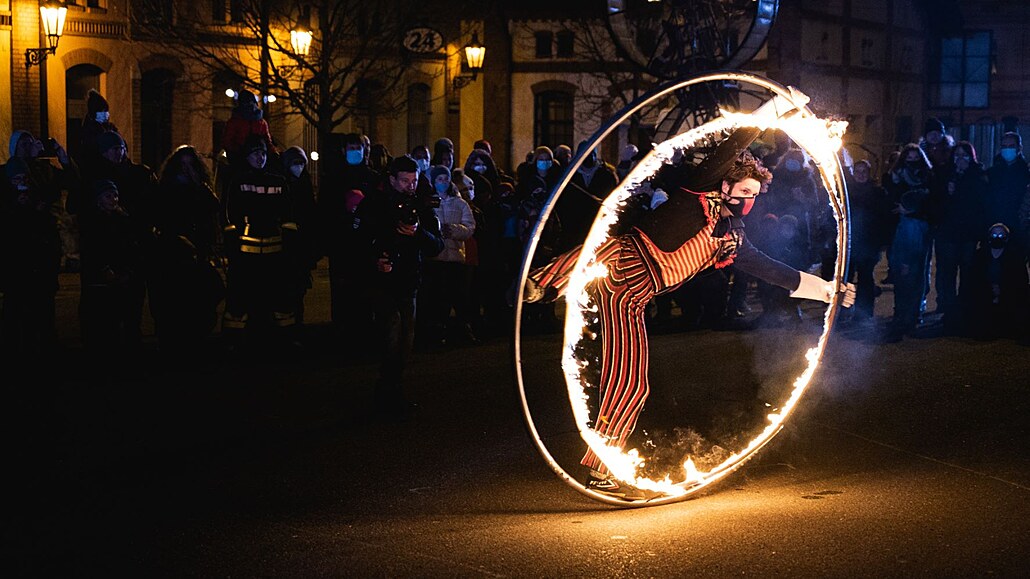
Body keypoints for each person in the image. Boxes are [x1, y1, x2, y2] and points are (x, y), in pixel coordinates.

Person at [522, 139, 854, 499]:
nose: (748, 200)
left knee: (632, 384)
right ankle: (541, 283)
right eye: (744, 190)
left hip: (632, 299)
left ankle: (601, 466)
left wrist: (827, 289)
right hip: (615, 265)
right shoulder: (694, 197)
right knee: (609, 252)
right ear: (724, 185)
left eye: (755, 194)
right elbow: (729, 149)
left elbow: (776, 272)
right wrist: (771, 113)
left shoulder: (731, 240)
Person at [357, 155, 443, 418]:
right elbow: (357, 241)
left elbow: (436, 245)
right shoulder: (374, 203)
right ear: (392, 179)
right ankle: (384, 393)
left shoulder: (419, 206)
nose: (409, 185)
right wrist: (375, 261)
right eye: (404, 180)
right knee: (392, 330)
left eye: (413, 180)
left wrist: (418, 234)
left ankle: (395, 393)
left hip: (408, 281)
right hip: (382, 282)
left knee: (406, 340)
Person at [220, 136, 299, 353]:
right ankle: (233, 340)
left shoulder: (278, 181)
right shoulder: (238, 180)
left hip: (275, 253)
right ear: (247, 156)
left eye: (263, 153)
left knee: (280, 298)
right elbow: (229, 216)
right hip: (246, 254)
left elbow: (288, 215)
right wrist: (231, 250)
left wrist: (289, 249)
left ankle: (284, 339)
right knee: (240, 299)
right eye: (255, 153)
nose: (260, 157)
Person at [149, 145, 224, 357]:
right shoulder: (168, 188)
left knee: (199, 300)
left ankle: (195, 342)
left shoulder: (200, 188)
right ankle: (174, 345)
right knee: (175, 301)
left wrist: (200, 185)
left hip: (198, 251)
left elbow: (213, 208)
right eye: (183, 165)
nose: (186, 169)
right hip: (174, 252)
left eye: (190, 165)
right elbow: (162, 216)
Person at [0, 159, 62, 360]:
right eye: (17, 178)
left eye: (24, 178)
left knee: (39, 317)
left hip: (38, 271)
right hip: (15, 272)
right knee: (14, 314)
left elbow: (49, 237)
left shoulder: (39, 202)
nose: (21, 182)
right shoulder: (6, 204)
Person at [417, 165, 477, 348]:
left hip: (456, 257)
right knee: (438, 298)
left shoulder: (460, 204)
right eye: (439, 179)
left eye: (445, 179)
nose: (442, 183)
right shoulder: (428, 202)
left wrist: (455, 230)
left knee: (459, 295)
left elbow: (470, 226)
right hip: (436, 258)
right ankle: (437, 332)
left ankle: (461, 331)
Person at [933, 141, 988, 332]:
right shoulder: (946, 175)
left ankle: (964, 312)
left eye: (965, 156)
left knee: (967, 274)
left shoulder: (979, 177)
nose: (960, 160)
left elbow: (980, 204)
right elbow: (938, 203)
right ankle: (948, 312)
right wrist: (948, 194)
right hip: (949, 233)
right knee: (946, 275)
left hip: (968, 234)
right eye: (957, 156)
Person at [882, 144, 935, 343]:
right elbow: (891, 198)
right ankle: (901, 315)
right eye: (909, 158)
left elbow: (930, 202)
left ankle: (911, 316)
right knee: (901, 271)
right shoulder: (896, 176)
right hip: (901, 225)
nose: (912, 162)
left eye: (915, 158)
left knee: (915, 272)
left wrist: (913, 210)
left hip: (918, 225)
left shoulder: (927, 177)